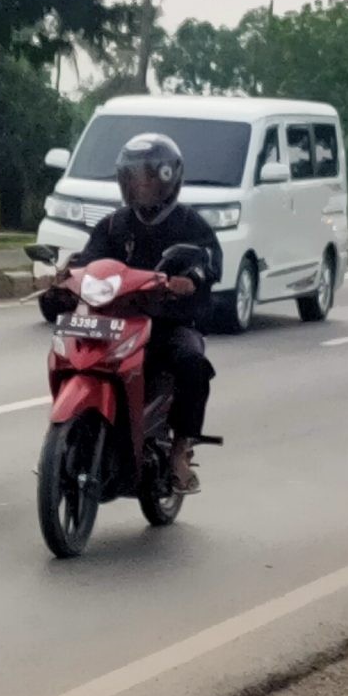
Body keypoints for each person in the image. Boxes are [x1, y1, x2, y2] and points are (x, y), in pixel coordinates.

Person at [56, 132, 221, 492]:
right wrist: (67, 277)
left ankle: (180, 448)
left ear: (167, 178)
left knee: (192, 361)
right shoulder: (114, 224)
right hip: (117, 322)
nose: (139, 185)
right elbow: (89, 259)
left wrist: (191, 278)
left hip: (168, 322)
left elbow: (209, 261)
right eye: (132, 177)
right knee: (73, 344)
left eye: (147, 177)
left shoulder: (190, 223)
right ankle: (80, 432)